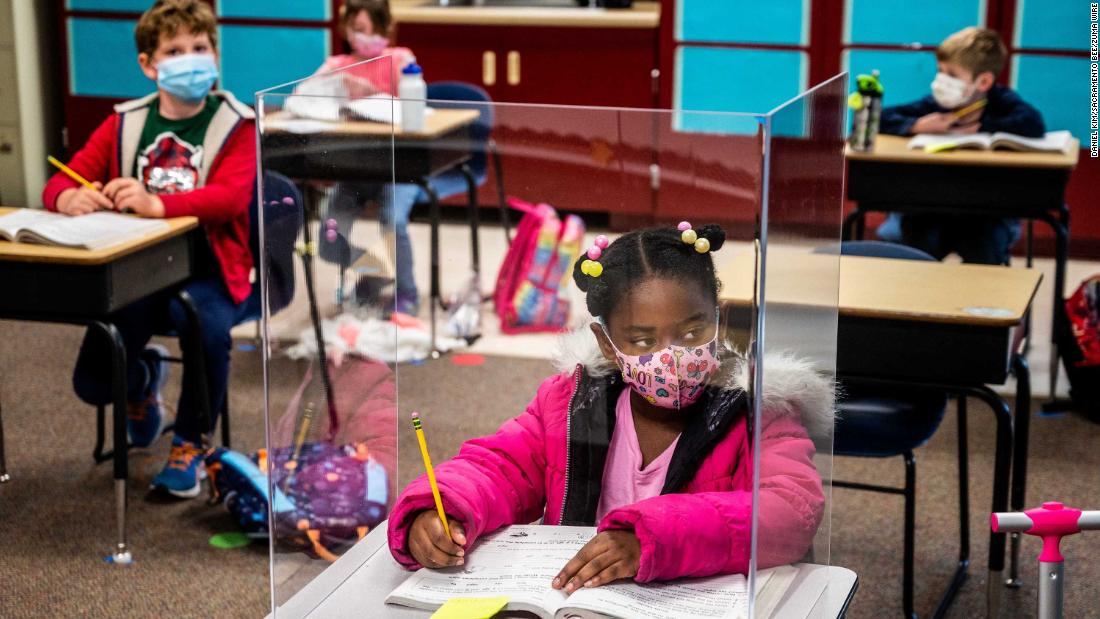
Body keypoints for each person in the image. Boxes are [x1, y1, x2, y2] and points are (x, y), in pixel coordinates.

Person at [387, 223, 833, 590]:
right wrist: (440, 508)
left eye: (693, 332)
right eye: (642, 340)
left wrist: (650, 540)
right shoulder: (569, 403)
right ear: (605, 342)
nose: (671, 356)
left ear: (722, 318)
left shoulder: (761, 413)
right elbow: (501, 466)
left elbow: (792, 510)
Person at [41, 0, 255, 498]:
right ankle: (141, 381)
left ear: (216, 55)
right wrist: (69, 196)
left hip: (212, 269)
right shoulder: (126, 123)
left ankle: (189, 443)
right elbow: (62, 178)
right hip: (140, 271)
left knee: (204, 325)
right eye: (174, 49)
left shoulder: (236, 123)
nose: (191, 58)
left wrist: (157, 203)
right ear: (148, 65)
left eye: (200, 47)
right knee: (93, 384)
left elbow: (230, 197)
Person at [877, 27, 1045, 265]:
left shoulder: (1001, 101)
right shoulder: (936, 104)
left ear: (984, 81)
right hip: (929, 209)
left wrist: (982, 125)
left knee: (985, 248)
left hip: (986, 213)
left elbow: (1033, 122)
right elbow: (883, 117)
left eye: (952, 75)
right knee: (917, 246)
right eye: (940, 71)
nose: (941, 81)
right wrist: (916, 126)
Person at [311, 0, 422, 315]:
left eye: (374, 30)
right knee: (329, 238)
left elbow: (413, 110)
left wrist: (372, 91)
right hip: (354, 169)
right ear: (346, 30)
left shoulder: (400, 60)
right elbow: (303, 98)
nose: (366, 37)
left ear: (387, 30)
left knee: (393, 221)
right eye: (359, 30)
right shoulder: (337, 65)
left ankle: (407, 291)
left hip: (397, 167)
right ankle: (378, 273)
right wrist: (330, 86)